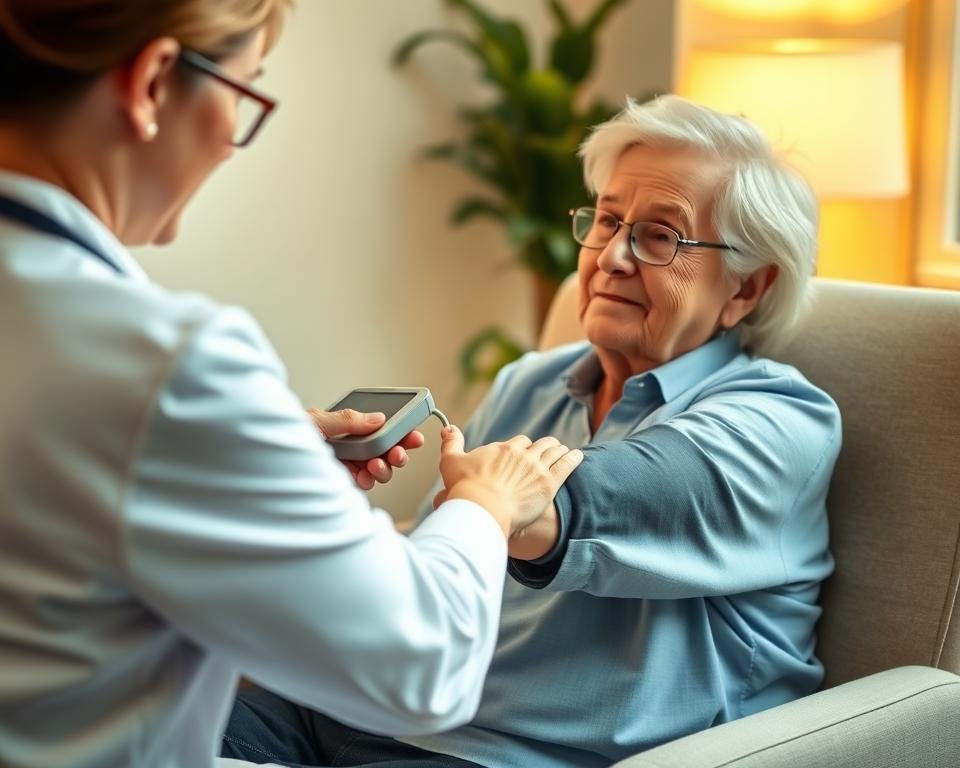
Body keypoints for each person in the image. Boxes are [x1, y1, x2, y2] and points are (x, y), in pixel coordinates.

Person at [0, 2, 585, 768]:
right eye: (246, 94)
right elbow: (422, 668)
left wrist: (249, 456)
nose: (231, 143)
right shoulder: (169, 365)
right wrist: (486, 503)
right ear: (152, 84)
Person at [223, 95, 842, 768]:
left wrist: (485, 505)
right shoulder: (532, 382)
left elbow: (586, 502)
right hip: (344, 712)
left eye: (660, 236)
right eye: (607, 220)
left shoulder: (779, 421)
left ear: (746, 289)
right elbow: (441, 555)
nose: (613, 257)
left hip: (497, 755)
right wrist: (299, 486)